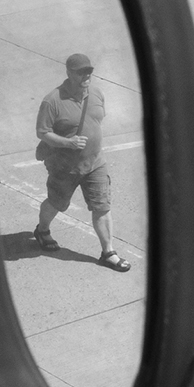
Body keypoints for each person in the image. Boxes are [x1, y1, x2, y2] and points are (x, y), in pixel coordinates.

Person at [33, 53, 129, 272]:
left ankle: (108, 253)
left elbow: (97, 120)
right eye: (80, 72)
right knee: (57, 204)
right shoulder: (53, 101)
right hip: (64, 166)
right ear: (68, 73)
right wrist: (68, 143)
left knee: (102, 207)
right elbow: (42, 132)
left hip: (95, 164)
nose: (86, 76)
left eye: (89, 71)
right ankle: (42, 230)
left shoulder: (96, 94)